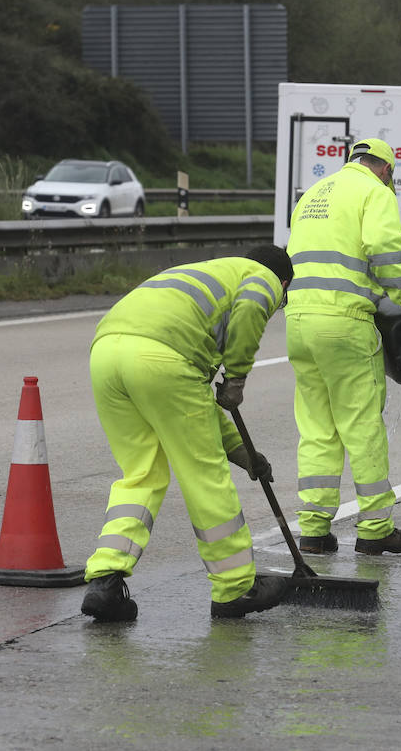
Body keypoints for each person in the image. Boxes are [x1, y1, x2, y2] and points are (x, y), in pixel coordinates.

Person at [80, 244, 294, 622]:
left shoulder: (208, 274)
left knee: (141, 474)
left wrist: (242, 452)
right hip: (162, 359)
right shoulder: (262, 277)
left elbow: (195, 404)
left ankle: (105, 580)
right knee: (205, 476)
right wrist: (238, 375)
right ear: (284, 282)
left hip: (106, 353)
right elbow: (250, 309)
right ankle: (234, 588)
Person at [284, 137, 401, 558]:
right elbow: (384, 250)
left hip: (298, 321)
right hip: (344, 323)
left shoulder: (313, 193)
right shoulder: (374, 192)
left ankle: (313, 530)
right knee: (363, 424)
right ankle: (375, 529)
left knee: (317, 428)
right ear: (386, 170)